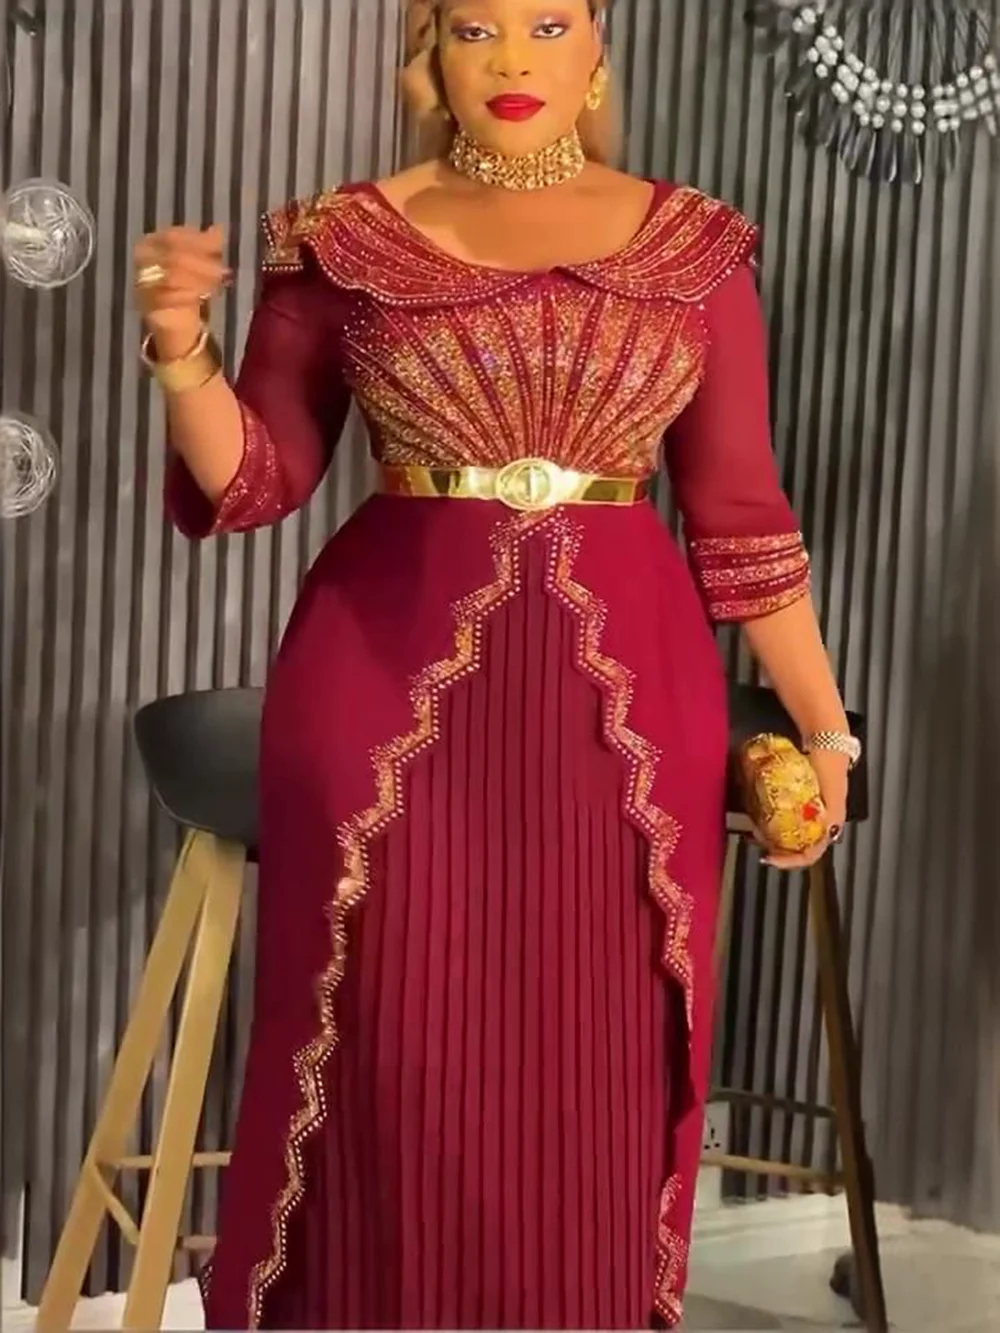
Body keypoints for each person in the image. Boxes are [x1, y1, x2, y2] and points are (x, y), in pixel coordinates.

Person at [133, 1, 859, 1327]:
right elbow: (256, 482)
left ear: (596, 53)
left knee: (597, 1050)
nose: (513, 58)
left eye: (547, 24)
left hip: (623, 703)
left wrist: (823, 729)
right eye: (476, 28)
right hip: (380, 682)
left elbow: (744, 519)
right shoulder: (343, 239)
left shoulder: (695, 248)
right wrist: (181, 349)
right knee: (382, 1043)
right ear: (431, 55)